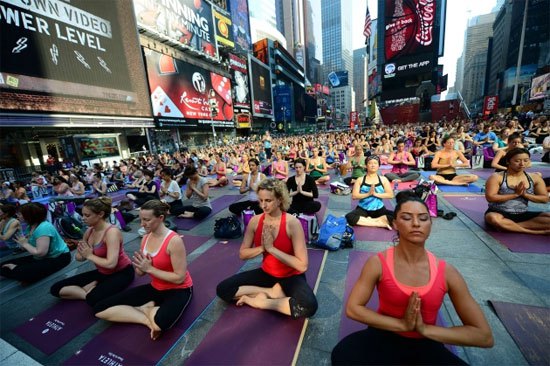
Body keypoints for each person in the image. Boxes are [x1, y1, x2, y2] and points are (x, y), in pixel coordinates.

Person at [332, 191, 494, 365]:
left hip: (425, 343)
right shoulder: (377, 263)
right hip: (383, 335)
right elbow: (353, 308)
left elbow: (483, 336)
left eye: (423, 218)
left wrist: (424, 329)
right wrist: (402, 325)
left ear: (430, 224)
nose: (416, 223)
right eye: (407, 218)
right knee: (342, 354)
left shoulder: (447, 272)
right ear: (395, 224)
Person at [216, 178, 318, 318]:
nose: (263, 205)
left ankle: (261, 302)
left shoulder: (292, 223)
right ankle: (271, 293)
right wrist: (263, 248)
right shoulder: (255, 221)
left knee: (308, 307)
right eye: (261, 200)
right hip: (266, 274)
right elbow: (243, 254)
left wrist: (272, 249)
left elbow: (302, 265)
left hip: (291, 276)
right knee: (223, 289)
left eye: (268, 201)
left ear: (279, 200)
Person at [94, 200, 193, 340]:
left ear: (161, 218)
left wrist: (150, 268)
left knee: (162, 324)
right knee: (99, 309)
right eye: (141, 219)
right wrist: (141, 267)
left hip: (178, 289)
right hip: (155, 287)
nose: (142, 224)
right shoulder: (145, 238)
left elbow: (179, 278)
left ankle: (149, 314)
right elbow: (140, 273)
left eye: (146, 220)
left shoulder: (174, 241)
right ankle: (147, 316)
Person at [50, 197, 134, 306]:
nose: (83, 218)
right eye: (83, 214)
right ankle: (88, 291)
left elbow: (111, 264)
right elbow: (79, 257)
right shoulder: (89, 231)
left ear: (100, 214)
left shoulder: (112, 232)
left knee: (94, 300)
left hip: (122, 273)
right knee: (56, 289)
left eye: (87, 215)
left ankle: (91, 290)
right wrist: (83, 253)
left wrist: (89, 255)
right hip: (102, 272)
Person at [485, 148, 550, 235]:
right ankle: (532, 231)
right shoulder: (497, 177)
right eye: (517, 161)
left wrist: (525, 195)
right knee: (493, 218)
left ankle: (509, 226)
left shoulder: (535, 178)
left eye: (526, 160)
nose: (522, 164)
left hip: (522, 213)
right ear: (508, 161)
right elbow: (490, 197)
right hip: (499, 212)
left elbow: (544, 198)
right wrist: (515, 194)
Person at [0, 203, 71, 283]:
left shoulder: (43, 228)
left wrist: (25, 244)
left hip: (58, 258)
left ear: (29, 215)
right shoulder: (30, 226)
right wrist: (23, 244)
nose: (17, 215)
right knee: (2, 266)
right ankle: (18, 270)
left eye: (20, 214)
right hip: (41, 258)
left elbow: (41, 253)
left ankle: (17, 270)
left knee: (22, 273)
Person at [345, 156, 394, 230]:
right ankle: (379, 223)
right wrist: (368, 194)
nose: (373, 165)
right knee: (349, 217)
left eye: (375, 163)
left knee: (397, 216)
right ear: (366, 165)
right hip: (363, 209)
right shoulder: (360, 180)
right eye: (370, 163)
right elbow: (354, 196)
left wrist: (375, 194)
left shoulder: (383, 179)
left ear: (378, 165)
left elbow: (390, 195)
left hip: (379, 209)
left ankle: (368, 221)